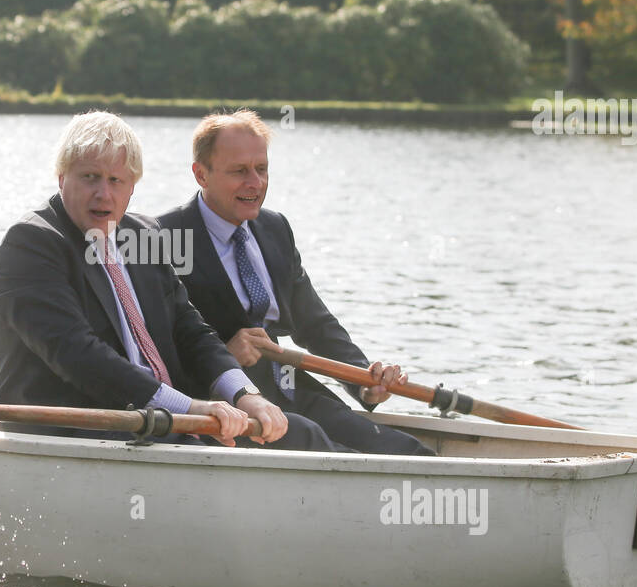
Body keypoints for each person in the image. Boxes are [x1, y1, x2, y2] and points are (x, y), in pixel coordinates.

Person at [0, 110, 344, 451]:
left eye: (115, 180)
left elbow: (191, 331)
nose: (103, 194)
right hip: (79, 431)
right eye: (89, 177)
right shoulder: (33, 243)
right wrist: (190, 408)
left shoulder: (143, 235)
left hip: (165, 421)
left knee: (302, 435)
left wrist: (244, 394)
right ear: (62, 178)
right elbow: (78, 355)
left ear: (132, 187)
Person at [157, 110, 435, 457]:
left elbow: (315, 325)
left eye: (261, 169)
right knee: (338, 457)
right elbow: (154, 348)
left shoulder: (275, 228)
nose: (255, 183)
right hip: (228, 409)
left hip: (292, 388)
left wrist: (365, 382)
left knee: (408, 452)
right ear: (201, 174)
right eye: (239, 171)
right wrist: (225, 356)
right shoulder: (163, 237)